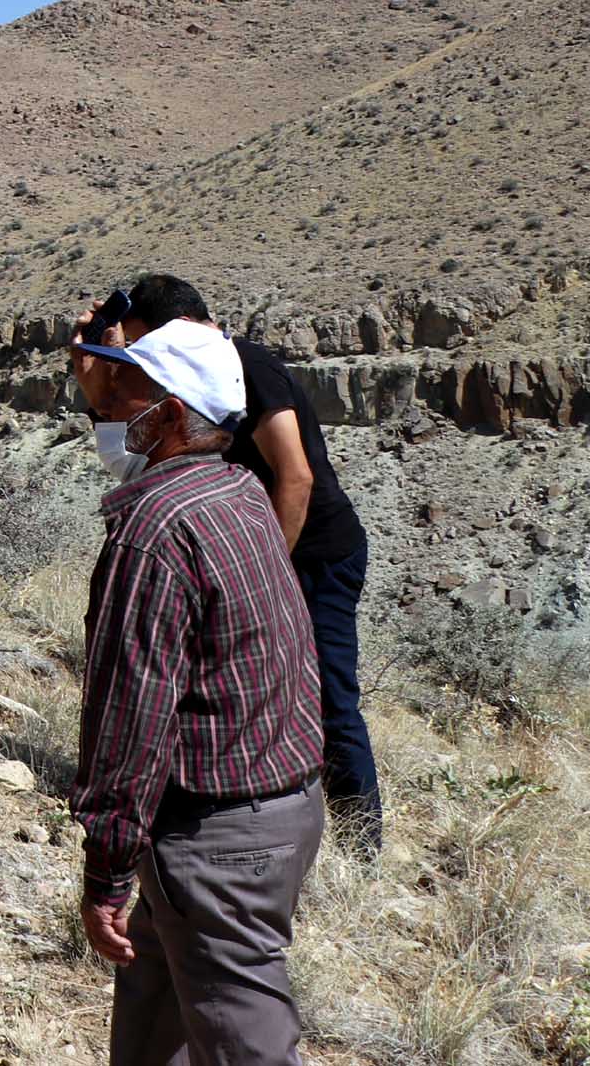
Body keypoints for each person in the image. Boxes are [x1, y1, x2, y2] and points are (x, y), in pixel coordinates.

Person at [69, 318, 326, 1066]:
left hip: (218, 842)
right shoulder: (240, 489)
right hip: (277, 804)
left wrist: (106, 869)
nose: (116, 402)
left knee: (248, 1046)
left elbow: (131, 718)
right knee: (158, 1009)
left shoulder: (155, 531)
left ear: (174, 413)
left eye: (132, 387)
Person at [92, 274, 381, 852]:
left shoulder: (249, 364)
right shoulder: (207, 372)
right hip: (261, 541)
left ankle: (361, 839)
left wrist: (266, 574)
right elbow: (134, 461)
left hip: (311, 549)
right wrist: (99, 385)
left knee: (326, 692)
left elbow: (295, 477)